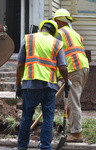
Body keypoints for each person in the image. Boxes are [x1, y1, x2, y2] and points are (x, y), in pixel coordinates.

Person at [16, 20, 69, 150]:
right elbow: (62, 67)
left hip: (30, 85)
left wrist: (18, 85)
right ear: (54, 32)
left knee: (26, 118)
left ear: (41, 28)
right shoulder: (57, 43)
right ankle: (45, 147)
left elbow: (19, 64)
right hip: (49, 86)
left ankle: (22, 147)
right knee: (48, 119)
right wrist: (67, 82)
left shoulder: (28, 39)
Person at [53, 8, 89, 142]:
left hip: (73, 68)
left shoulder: (59, 33)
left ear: (58, 21)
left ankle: (77, 133)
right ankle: (72, 127)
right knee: (69, 100)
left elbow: (55, 53)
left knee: (73, 101)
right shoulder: (74, 33)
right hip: (82, 67)